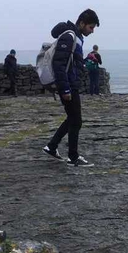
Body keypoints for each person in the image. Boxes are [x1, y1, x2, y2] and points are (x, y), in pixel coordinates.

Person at [42, 9, 99, 167]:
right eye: (91, 27)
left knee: (72, 118)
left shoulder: (77, 37)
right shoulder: (70, 36)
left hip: (70, 84)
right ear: (82, 23)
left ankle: (52, 146)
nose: (92, 31)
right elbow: (59, 64)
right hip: (68, 86)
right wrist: (65, 89)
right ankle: (73, 157)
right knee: (76, 120)